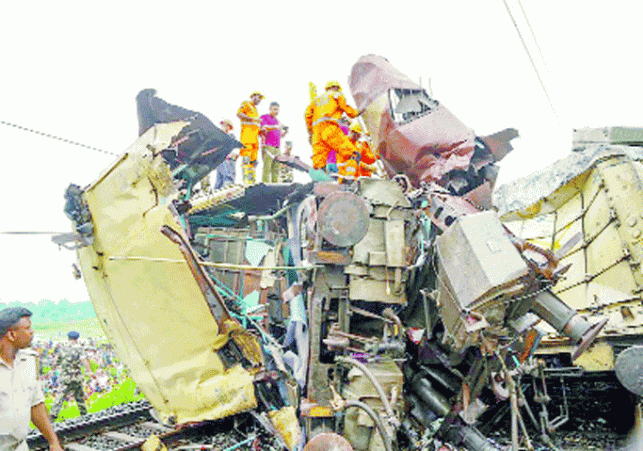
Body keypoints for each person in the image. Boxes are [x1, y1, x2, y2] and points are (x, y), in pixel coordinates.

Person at [0, 307, 63, 451]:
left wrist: (53, 441)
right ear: (11, 334)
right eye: (28, 328)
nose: (32, 332)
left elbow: (36, 404)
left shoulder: (28, 361)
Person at [304, 81, 360, 171]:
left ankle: (320, 177)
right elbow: (347, 109)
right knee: (351, 153)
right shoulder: (337, 95)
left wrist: (310, 131)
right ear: (336, 88)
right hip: (330, 128)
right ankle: (349, 176)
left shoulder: (316, 100)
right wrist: (357, 112)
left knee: (319, 160)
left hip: (317, 133)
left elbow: (307, 115)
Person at [50, 331, 90, 420]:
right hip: (76, 377)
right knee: (79, 398)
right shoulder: (79, 348)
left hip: (65, 378)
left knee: (59, 397)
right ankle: (85, 416)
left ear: (68, 338)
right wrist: (90, 372)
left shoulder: (62, 349)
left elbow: (56, 362)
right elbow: (83, 360)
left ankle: (53, 416)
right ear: (77, 338)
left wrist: (53, 369)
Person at [237, 91, 264, 185]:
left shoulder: (255, 110)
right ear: (253, 96)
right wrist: (253, 119)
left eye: (261, 98)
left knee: (253, 162)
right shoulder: (246, 104)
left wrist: (262, 130)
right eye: (258, 97)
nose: (260, 100)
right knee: (246, 161)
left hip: (254, 140)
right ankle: (246, 182)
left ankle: (251, 182)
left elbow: (255, 124)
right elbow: (239, 114)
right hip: (247, 138)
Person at [260, 102, 288, 183]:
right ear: (270, 109)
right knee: (267, 168)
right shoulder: (264, 117)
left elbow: (280, 135)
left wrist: (285, 132)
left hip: (277, 147)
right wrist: (276, 127)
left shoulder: (277, 121)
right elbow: (264, 127)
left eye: (278, 110)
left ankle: (275, 186)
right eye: (275, 109)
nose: (276, 111)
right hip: (268, 146)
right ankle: (265, 187)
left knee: (276, 168)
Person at [214, 119, 239, 189]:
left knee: (220, 180)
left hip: (230, 160)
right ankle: (227, 190)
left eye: (227, 126)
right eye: (224, 125)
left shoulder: (231, 136)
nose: (225, 127)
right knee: (227, 176)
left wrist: (235, 155)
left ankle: (218, 191)